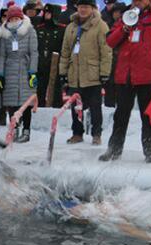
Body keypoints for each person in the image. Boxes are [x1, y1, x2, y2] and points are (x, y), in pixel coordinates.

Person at [0, 160, 151, 245]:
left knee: (104, 216)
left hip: (56, 208)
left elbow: (21, 209)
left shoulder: (7, 198)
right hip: (59, 204)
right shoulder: (21, 186)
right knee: (109, 208)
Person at [99, 0, 151, 163]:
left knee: (148, 116)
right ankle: (114, 150)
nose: (138, 2)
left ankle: (150, 152)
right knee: (120, 115)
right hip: (125, 75)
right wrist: (124, 29)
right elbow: (111, 41)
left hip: (148, 75)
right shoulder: (124, 17)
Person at [59, 0, 112, 146]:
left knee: (95, 107)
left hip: (92, 74)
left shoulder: (101, 26)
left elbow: (106, 51)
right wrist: (63, 71)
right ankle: (77, 133)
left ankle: (96, 134)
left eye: (86, 7)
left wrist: (104, 72)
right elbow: (65, 52)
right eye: (81, 7)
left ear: (92, 8)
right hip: (74, 74)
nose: (83, 10)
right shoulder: (71, 27)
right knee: (75, 107)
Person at [0, 6, 38, 143]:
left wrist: (32, 72)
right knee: (11, 101)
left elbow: (34, 52)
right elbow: (2, 55)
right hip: (10, 69)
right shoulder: (4, 33)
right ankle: (14, 128)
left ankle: (26, 130)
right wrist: (0, 74)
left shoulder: (29, 30)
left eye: (17, 18)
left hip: (25, 68)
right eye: (12, 18)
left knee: (25, 102)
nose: (14, 21)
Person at [35, 4, 65, 108]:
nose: (47, 15)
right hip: (42, 64)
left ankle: (57, 109)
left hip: (55, 65)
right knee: (40, 89)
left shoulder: (62, 29)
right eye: (45, 13)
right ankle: (39, 109)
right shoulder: (39, 28)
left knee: (56, 90)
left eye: (49, 13)